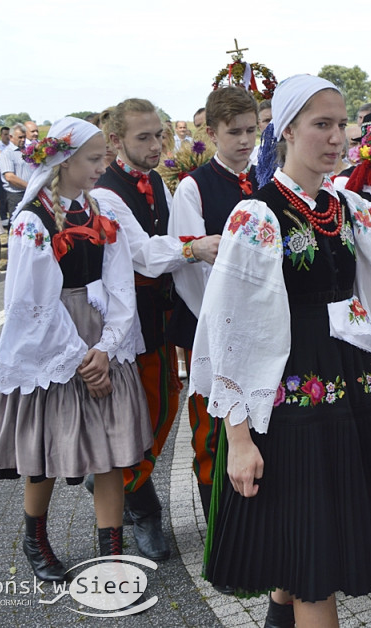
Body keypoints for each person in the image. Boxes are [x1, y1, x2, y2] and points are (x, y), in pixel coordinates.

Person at [191, 74, 371, 627]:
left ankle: (279, 617)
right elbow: (229, 330)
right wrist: (237, 438)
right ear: (285, 131)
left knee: (314, 545)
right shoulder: (257, 216)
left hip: (350, 393)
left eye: (341, 126)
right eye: (321, 125)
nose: (337, 139)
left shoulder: (349, 207)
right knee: (315, 562)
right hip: (294, 405)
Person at [0, 117, 152, 581]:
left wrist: (109, 345)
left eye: (103, 158)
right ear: (64, 160)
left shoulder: (99, 212)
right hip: (53, 341)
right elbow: (32, 300)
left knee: (111, 451)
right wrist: (78, 358)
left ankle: (112, 559)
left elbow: (119, 286)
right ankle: (36, 540)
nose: (102, 166)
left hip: (99, 339)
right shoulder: (33, 219)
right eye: (93, 159)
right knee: (47, 447)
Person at [90, 97, 220, 563]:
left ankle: (125, 483)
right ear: (116, 141)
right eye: (143, 136)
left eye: (158, 135)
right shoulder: (107, 193)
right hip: (132, 323)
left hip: (161, 317)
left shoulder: (155, 184)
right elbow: (144, 254)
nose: (154, 144)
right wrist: (195, 247)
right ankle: (135, 499)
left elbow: (162, 238)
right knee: (146, 415)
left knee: (162, 408)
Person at [169, 85, 259, 529]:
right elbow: (190, 266)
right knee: (211, 427)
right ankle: (219, 528)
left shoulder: (262, 180)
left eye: (251, 130)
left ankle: (253, 517)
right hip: (208, 324)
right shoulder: (194, 186)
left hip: (257, 325)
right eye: (234, 132)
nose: (245, 141)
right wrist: (221, 322)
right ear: (212, 131)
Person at [0, 124, 35, 219]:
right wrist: (30, 186)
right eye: (20, 137)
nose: (23, 140)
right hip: (17, 195)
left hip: (30, 192)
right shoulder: (6, 154)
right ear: (11, 137)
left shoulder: (27, 151)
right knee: (18, 222)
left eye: (24, 137)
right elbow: (10, 177)